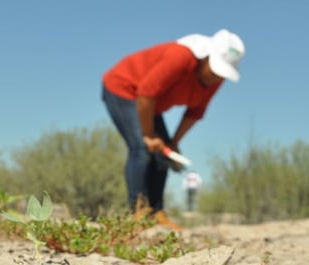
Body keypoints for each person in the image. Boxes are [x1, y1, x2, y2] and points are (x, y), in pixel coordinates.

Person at [102, 29, 245, 231]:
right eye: (214, 69)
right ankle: (138, 212)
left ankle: (157, 212)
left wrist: (174, 143)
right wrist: (149, 134)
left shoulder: (216, 78)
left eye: (222, 73)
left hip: (151, 102)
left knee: (164, 154)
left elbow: (195, 112)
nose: (216, 77)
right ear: (206, 57)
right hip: (124, 88)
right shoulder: (181, 57)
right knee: (142, 149)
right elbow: (145, 92)